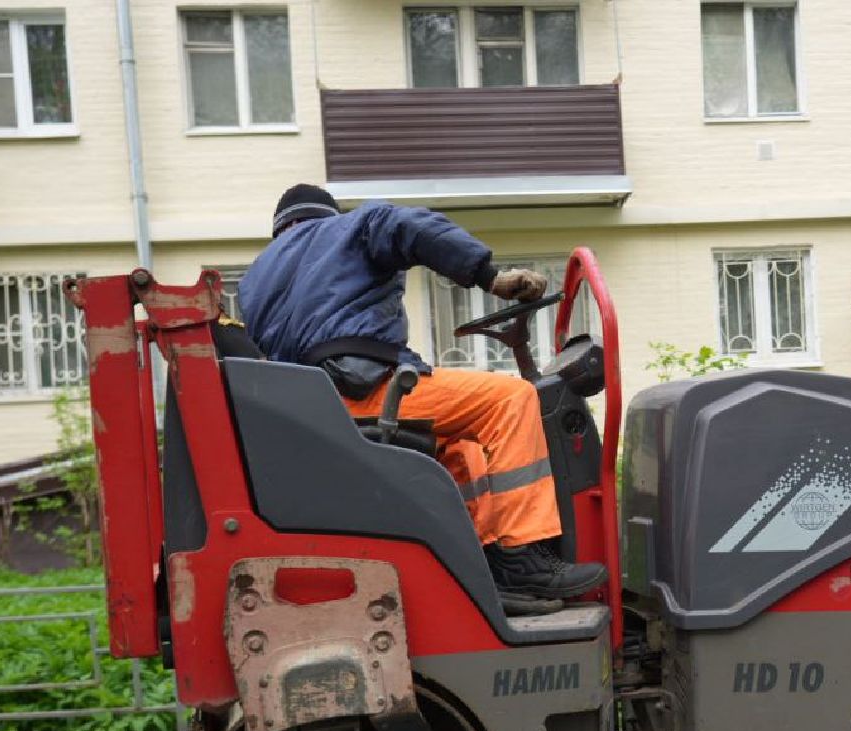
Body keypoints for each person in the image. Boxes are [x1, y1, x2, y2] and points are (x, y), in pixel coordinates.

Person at [236, 183, 607, 606]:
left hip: (314, 410)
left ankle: (481, 564)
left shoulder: (254, 280)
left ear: (281, 228)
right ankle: (522, 557)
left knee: (462, 449)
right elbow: (407, 224)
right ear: (328, 216)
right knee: (511, 399)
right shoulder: (353, 227)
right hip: (364, 388)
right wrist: (490, 276)